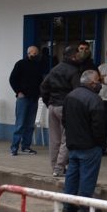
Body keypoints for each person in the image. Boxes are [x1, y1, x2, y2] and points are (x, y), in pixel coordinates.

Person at [60, 70, 107, 212]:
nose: (100, 84)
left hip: (73, 143)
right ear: (92, 83)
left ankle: (68, 204)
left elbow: (64, 120)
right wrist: (101, 144)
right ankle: (85, 206)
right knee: (88, 176)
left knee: (72, 175)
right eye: (98, 81)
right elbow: (99, 126)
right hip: (89, 145)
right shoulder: (94, 99)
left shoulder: (70, 96)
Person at [40, 46, 82, 177]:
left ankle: (54, 166)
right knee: (66, 139)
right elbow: (77, 92)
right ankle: (59, 168)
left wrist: (48, 102)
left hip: (52, 106)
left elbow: (43, 87)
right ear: (73, 56)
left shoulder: (54, 69)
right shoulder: (74, 71)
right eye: (78, 54)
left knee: (54, 139)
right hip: (65, 107)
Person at [9, 45, 45, 156]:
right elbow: (12, 79)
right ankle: (14, 147)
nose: (34, 55)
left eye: (36, 53)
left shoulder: (38, 65)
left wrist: (40, 93)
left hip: (34, 98)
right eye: (32, 53)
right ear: (28, 53)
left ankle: (26, 147)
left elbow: (41, 81)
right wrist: (18, 92)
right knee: (20, 124)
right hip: (23, 98)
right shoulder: (20, 64)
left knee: (30, 124)